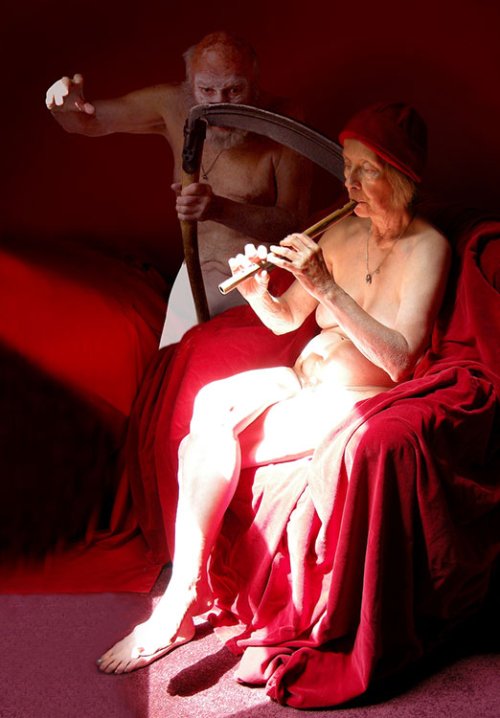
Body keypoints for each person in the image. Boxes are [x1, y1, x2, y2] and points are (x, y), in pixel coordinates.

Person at [96, 101, 451, 674]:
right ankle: (186, 594)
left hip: (359, 399)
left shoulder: (428, 247)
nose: (348, 183)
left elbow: (398, 361)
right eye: (347, 168)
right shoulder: (341, 230)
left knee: (204, 445)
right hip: (304, 383)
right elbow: (287, 320)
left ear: (401, 177)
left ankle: (181, 599)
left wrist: (327, 287)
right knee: (210, 402)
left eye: (365, 171)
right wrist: (261, 291)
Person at [45, 31, 311, 345]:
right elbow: (86, 121)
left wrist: (220, 209)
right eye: (206, 90)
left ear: (255, 83)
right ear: (189, 84)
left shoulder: (284, 120)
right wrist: (62, 105)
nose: (219, 104)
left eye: (234, 90)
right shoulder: (174, 103)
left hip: (259, 282)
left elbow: (293, 224)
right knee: (173, 366)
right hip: (193, 278)